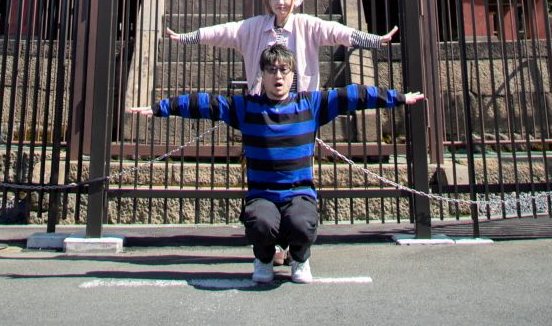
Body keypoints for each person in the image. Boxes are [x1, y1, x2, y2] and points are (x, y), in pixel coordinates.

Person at [130, 42, 422, 285]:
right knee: (260, 223)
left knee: (301, 223)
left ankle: (300, 257)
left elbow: (354, 95)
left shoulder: (310, 105)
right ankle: (264, 257)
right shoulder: (246, 108)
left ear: (293, 74)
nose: (278, 76)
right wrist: (159, 108)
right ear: (262, 75)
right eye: (271, 70)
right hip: (263, 194)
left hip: (299, 193)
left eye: (284, 70)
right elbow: (204, 103)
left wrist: (397, 97)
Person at [166, 0, 397, 92]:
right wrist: (187, 37)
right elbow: (223, 32)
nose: (281, 2)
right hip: (264, 100)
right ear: (269, 2)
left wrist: (375, 40)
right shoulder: (255, 27)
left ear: (295, 0)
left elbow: (338, 32)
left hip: (299, 100)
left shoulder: (307, 25)